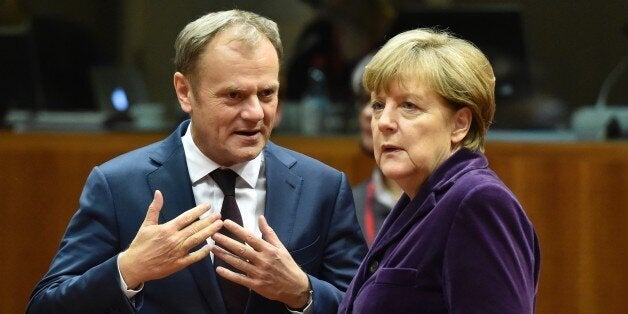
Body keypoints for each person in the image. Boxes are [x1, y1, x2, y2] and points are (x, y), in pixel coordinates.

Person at [27, 9, 367, 314]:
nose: (255, 113)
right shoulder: (118, 185)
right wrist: (128, 269)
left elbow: (364, 304)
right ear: (184, 92)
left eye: (266, 94)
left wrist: (302, 293)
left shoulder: (323, 187)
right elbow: (46, 305)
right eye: (233, 95)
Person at [338, 28, 541, 313]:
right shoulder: (417, 201)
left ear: (460, 124)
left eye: (409, 106)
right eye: (379, 105)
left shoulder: (477, 201)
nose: (383, 121)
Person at [350, 54, 402, 246]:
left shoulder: (460, 203)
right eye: (366, 101)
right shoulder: (348, 204)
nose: (366, 113)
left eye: (379, 104)